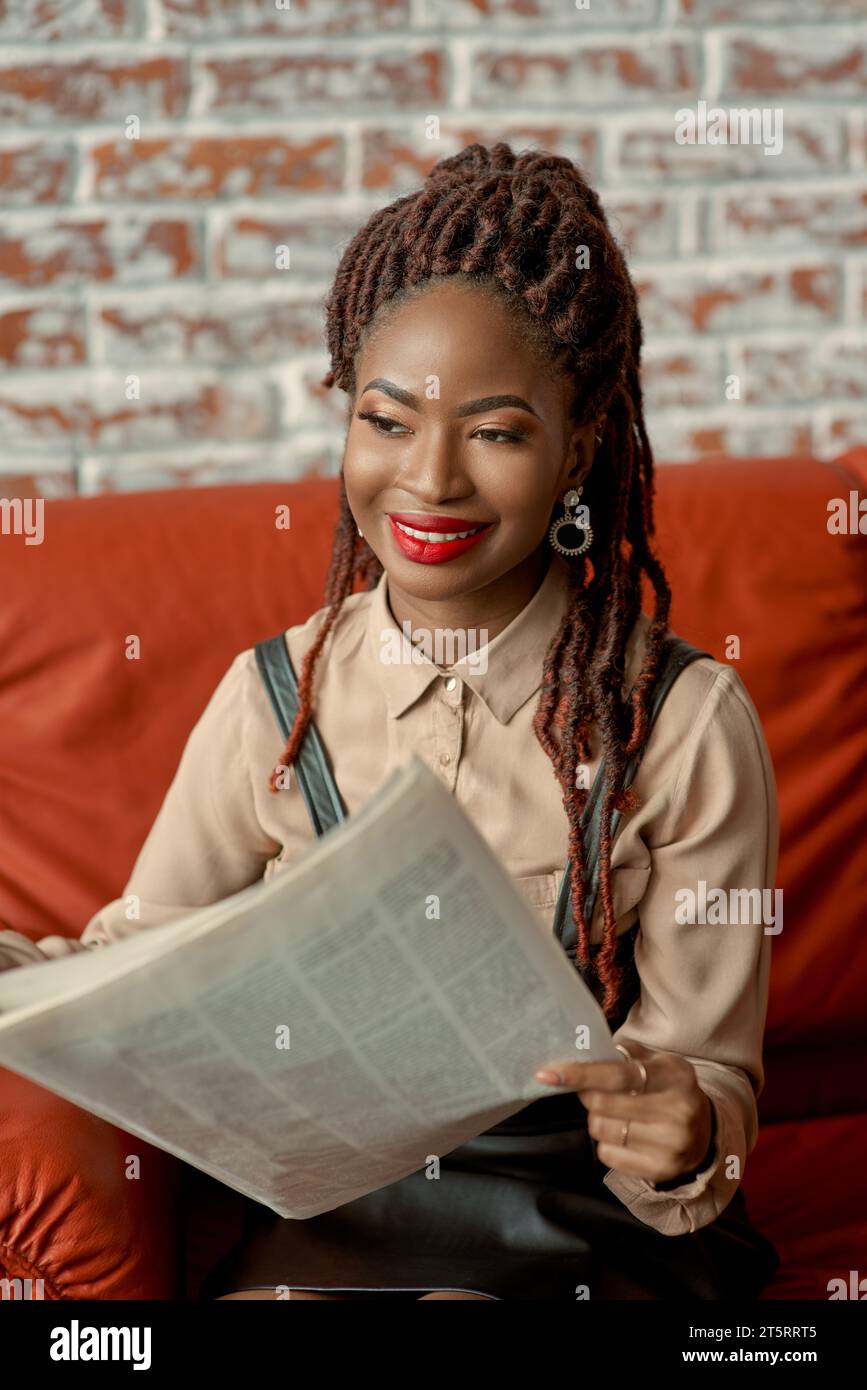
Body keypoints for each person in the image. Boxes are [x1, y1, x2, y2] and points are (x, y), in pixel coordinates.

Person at [0, 142, 781, 1301]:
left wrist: (689, 1129)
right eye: (387, 419)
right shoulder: (274, 696)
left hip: (580, 1220)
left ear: (579, 448)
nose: (430, 481)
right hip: (340, 1214)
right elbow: (134, 964)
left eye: (498, 432)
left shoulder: (682, 720)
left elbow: (711, 1078)